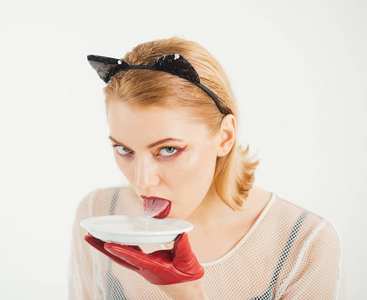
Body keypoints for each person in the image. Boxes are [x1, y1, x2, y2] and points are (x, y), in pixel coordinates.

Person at [68, 37, 341, 299]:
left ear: (225, 137)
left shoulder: (303, 243)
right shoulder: (101, 214)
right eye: (125, 149)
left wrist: (189, 295)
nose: (143, 181)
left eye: (168, 149)